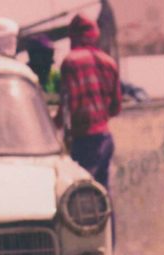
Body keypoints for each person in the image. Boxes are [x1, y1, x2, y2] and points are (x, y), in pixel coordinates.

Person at [56, 14, 121, 190]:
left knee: (82, 194)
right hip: (105, 138)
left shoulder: (71, 62)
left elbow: (68, 107)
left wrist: (52, 126)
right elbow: (116, 108)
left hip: (84, 140)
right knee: (103, 194)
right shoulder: (109, 62)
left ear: (74, 36)